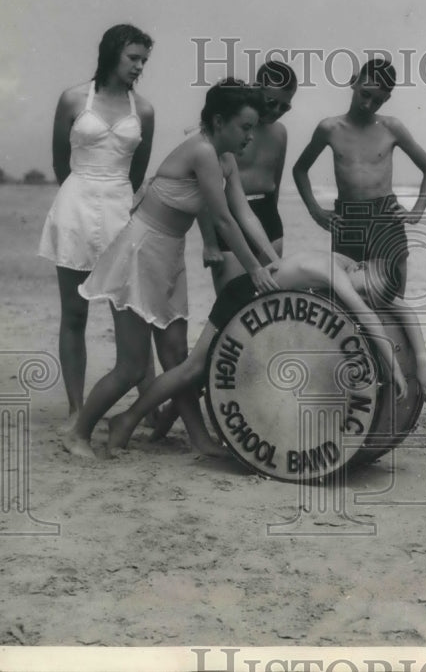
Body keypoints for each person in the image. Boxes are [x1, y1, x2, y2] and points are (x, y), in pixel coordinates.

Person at [61, 79, 281, 459]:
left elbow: (245, 213)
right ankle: (79, 432)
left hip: (168, 254)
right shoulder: (201, 152)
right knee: (131, 366)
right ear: (218, 120)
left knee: (177, 356)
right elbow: (225, 222)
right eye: (245, 127)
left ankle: (197, 437)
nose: (251, 135)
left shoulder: (225, 158)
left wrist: (273, 262)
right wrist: (254, 270)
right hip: (139, 253)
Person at [104, 252, 426, 455]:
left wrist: (422, 362)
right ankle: (127, 419)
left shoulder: (355, 269)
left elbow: (401, 307)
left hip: (260, 300)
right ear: (359, 268)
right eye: (364, 290)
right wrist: (393, 367)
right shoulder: (335, 272)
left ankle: (161, 427)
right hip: (242, 294)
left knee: (204, 372)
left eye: (369, 295)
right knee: (195, 368)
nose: (363, 296)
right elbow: (363, 313)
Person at [38, 24, 159, 418]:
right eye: (133, 58)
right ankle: (76, 409)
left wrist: (114, 200)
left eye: (144, 60)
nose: (140, 66)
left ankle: (146, 408)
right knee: (74, 315)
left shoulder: (143, 110)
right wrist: (81, 194)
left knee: (131, 312)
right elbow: (60, 161)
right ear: (111, 54)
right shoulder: (73, 98)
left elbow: (136, 173)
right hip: (75, 207)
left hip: (120, 211)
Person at [292, 57, 426, 298]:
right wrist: (316, 212)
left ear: (387, 99)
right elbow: (300, 169)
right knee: (347, 297)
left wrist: (416, 212)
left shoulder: (391, 127)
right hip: (347, 218)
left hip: (385, 216)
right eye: (365, 94)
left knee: (391, 298)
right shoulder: (330, 128)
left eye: (378, 100)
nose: (369, 104)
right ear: (354, 83)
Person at [198, 61, 297, 292]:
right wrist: (209, 241)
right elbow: (202, 192)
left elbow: (276, 183)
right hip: (229, 217)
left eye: (285, 107)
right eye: (271, 102)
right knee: (231, 300)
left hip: (268, 218)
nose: (276, 111)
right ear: (256, 90)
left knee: (268, 301)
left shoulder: (280, 133)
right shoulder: (230, 131)